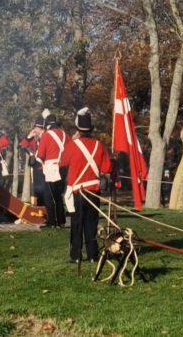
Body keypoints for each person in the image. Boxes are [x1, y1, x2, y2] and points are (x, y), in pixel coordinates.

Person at [61, 108, 113, 263]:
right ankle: (92, 255)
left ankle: (76, 256)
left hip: (78, 191)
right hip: (94, 191)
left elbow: (63, 162)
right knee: (91, 223)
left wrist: (72, 141)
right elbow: (106, 168)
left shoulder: (72, 145)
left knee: (77, 224)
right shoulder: (99, 145)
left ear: (78, 130)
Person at [36, 113, 70, 228]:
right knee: (58, 195)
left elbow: (40, 154)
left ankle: (51, 221)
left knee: (48, 195)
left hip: (51, 167)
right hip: (63, 167)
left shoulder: (46, 135)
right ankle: (61, 221)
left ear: (47, 126)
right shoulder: (65, 135)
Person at [20, 109, 50, 207]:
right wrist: (29, 136)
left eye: (38, 128)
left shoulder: (46, 138)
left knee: (43, 189)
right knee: (38, 189)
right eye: (35, 128)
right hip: (36, 167)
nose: (36, 130)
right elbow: (23, 145)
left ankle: (46, 207)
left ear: (43, 130)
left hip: (45, 167)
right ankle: (40, 206)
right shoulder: (34, 139)